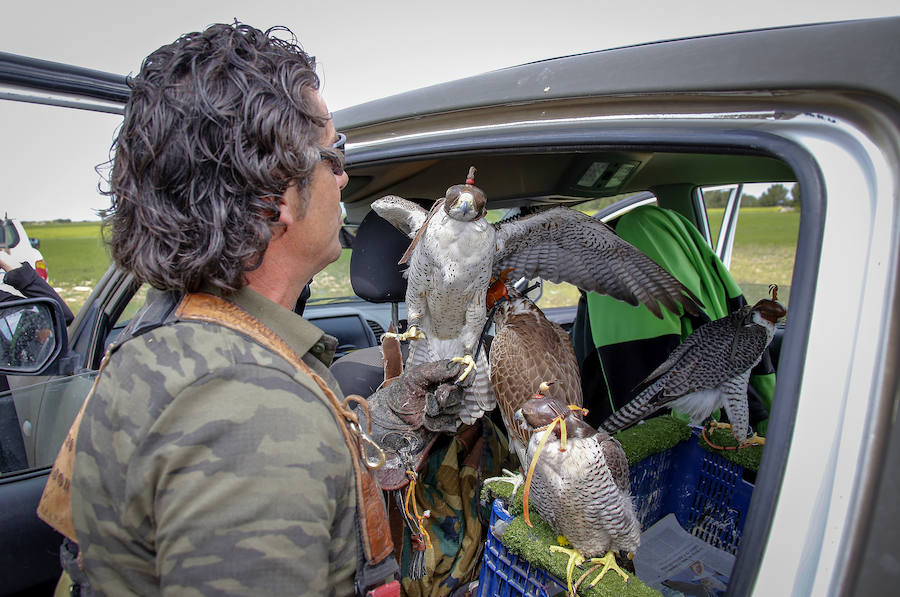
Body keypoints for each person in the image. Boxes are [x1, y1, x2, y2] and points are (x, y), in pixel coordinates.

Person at [63, 23, 462, 596]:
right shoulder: (257, 416)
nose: (344, 176)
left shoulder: (160, 342)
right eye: (336, 153)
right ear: (276, 196)